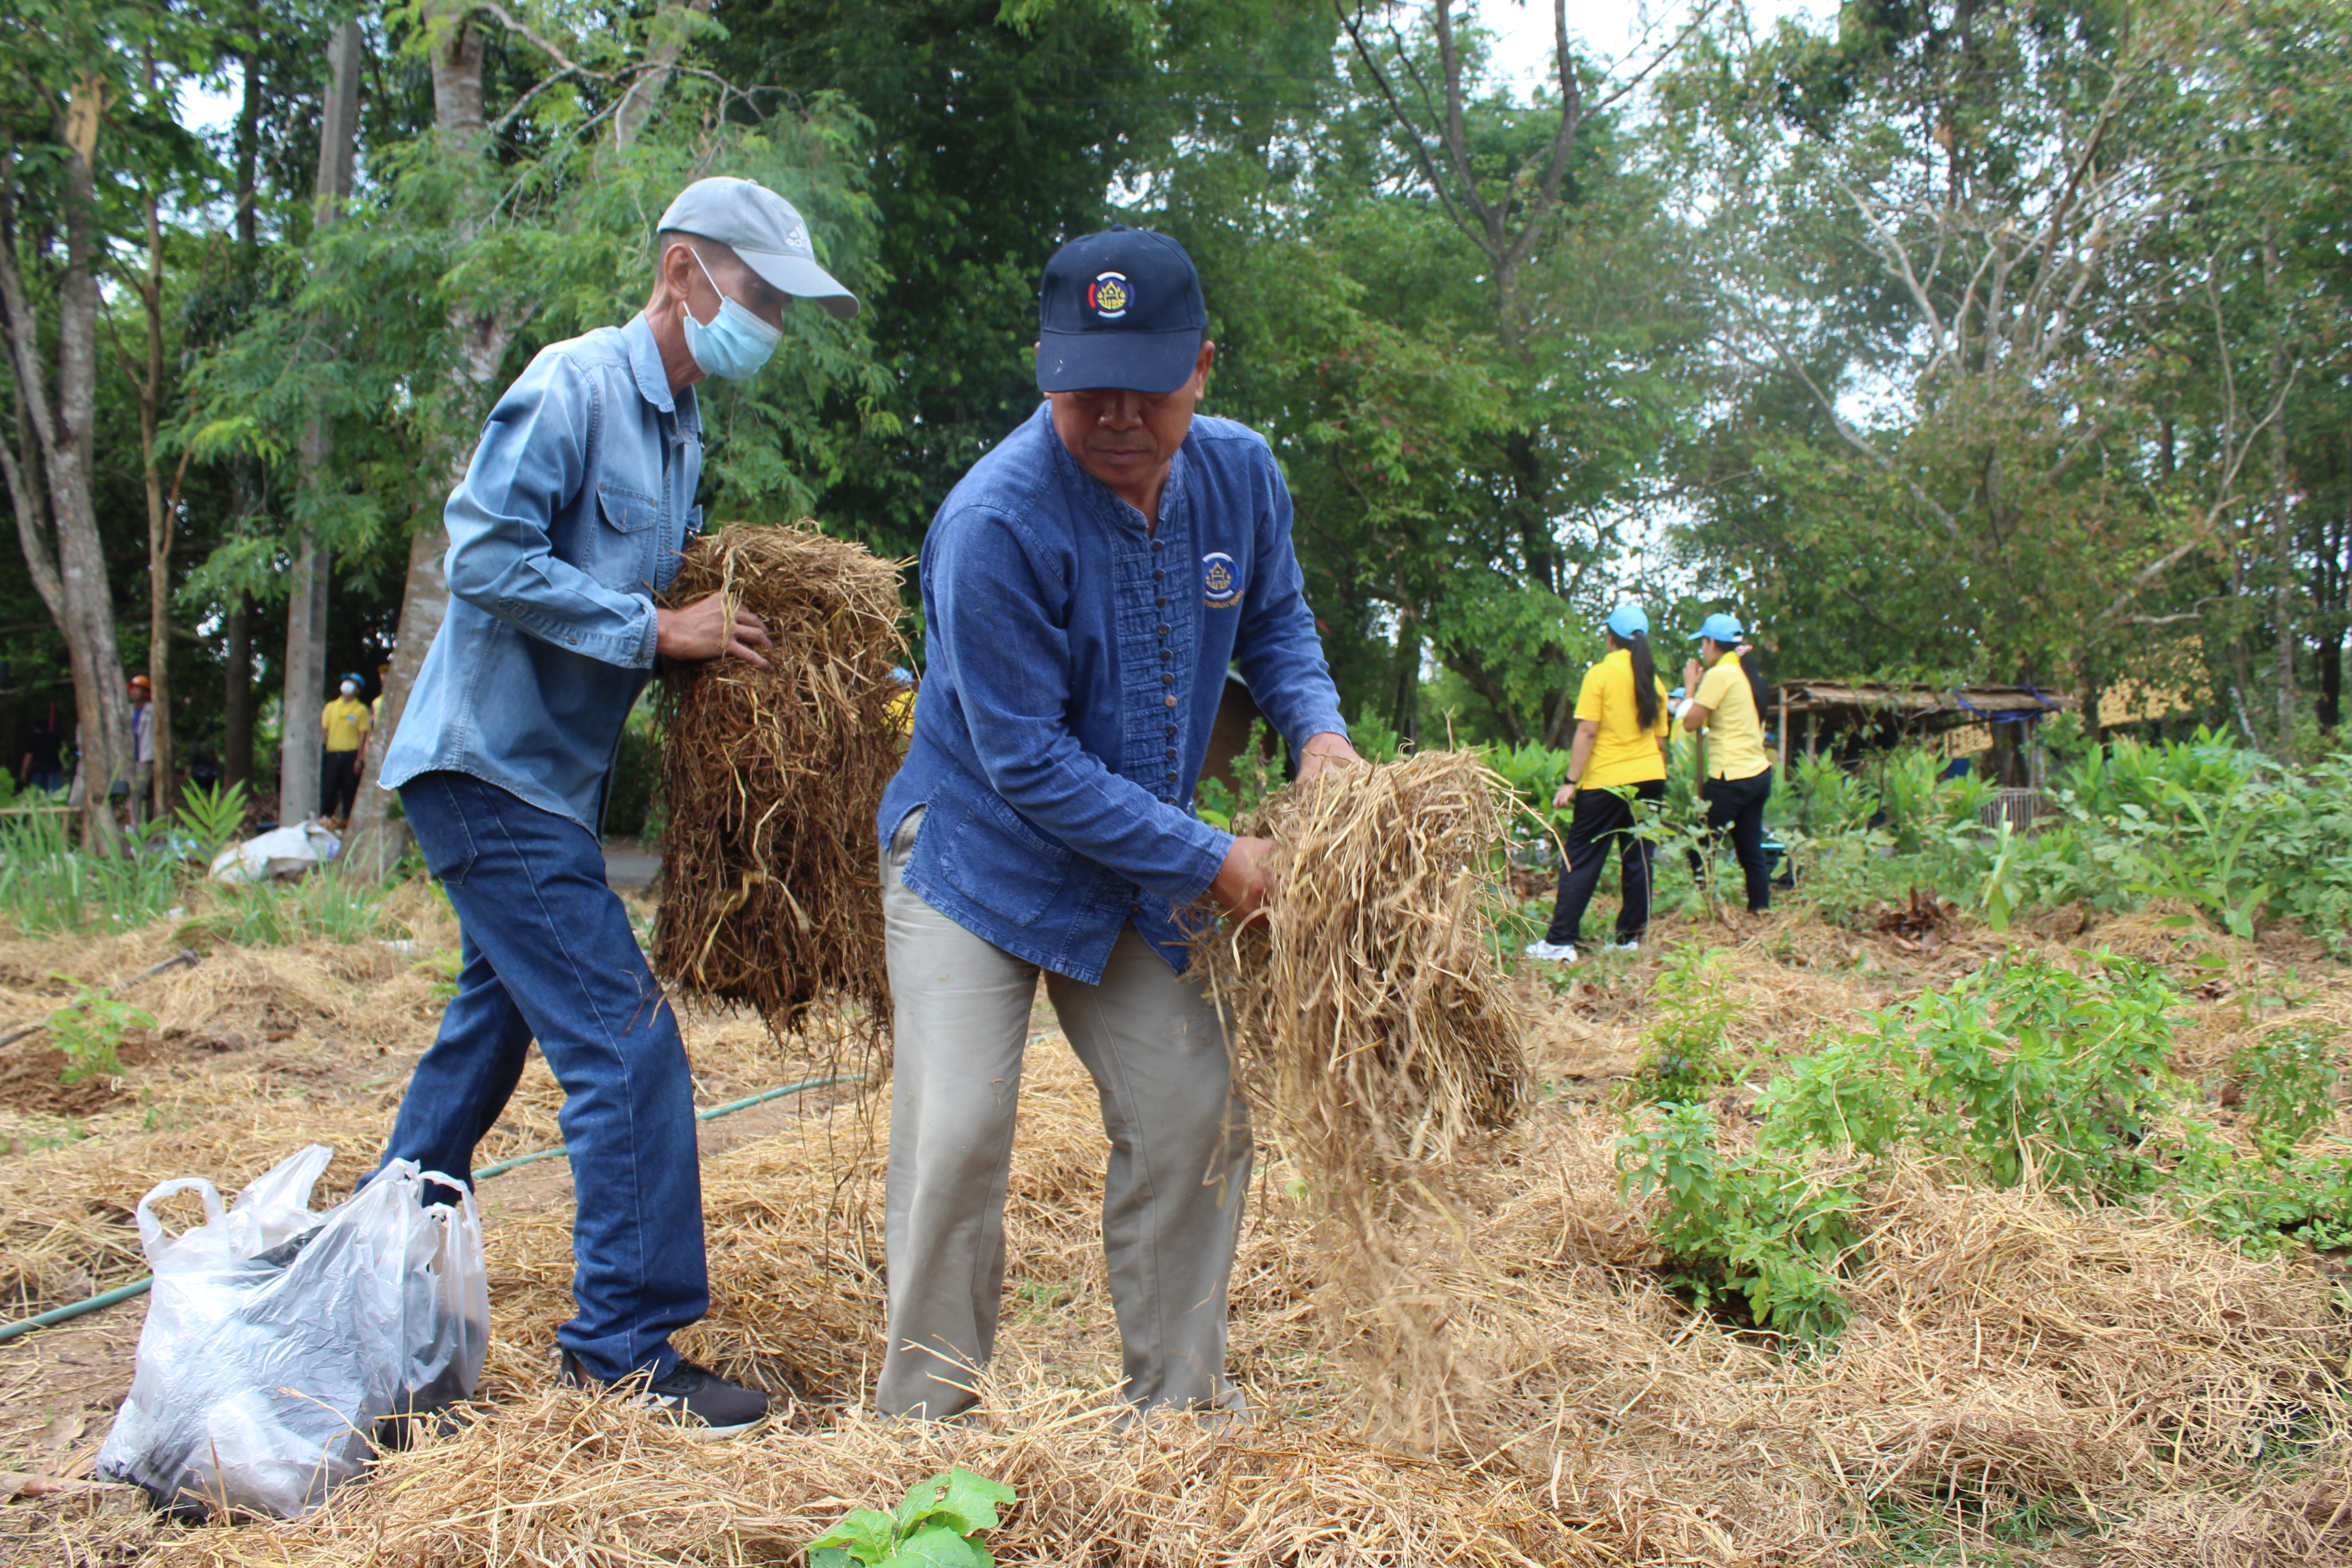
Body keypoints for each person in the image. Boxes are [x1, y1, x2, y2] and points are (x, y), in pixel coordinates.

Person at [375, 175, 858, 1439]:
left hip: (544, 781)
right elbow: (483, 555)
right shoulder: (577, 383)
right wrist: (654, 627)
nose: (773, 327)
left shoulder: (682, 430)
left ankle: (378, 1281)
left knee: (489, 1033)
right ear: (688, 271)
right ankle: (620, 1348)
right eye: (761, 297)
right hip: (488, 768)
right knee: (626, 1041)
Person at [874, 224, 1362, 1422]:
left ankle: (1180, 1418)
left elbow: (1280, 626)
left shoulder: (1241, 477)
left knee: (1193, 1113)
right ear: (1049, 374)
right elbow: (1028, 763)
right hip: (976, 858)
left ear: (1201, 367)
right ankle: (920, 1434)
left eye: (1144, 387)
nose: (1116, 417)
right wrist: (1221, 860)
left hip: (1136, 863)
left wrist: (1322, 737)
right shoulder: (996, 521)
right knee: (961, 1131)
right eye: (1086, 390)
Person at [1524, 606, 1671, 964]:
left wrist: (1571, 781)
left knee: (1582, 858)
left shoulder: (1601, 675)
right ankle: (1631, 940)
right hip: (1651, 778)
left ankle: (1560, 943)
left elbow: (1588, 731)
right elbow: (1661, 743)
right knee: (1638, 858)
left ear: (1610, 637)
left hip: (1607, 780)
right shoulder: (1655, 681)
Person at [1682, 611, 1775, 914]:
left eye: (1703, 644)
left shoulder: (1721, 674)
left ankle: (1705, 908)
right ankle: (1760, 909)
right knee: (1750, 850)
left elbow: (1691, 724)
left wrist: (1690, 689)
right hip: (1758, 774)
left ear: (1711, 643)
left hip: (1731, 777)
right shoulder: (1747, 674)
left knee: (1700, 848)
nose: (1702, 651)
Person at [320, 673, 371, 827]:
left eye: (353, 683)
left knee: (350, 790)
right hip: (333, 755)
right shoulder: (331, 707)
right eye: (346, 682)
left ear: (358, 690)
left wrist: (359, 759)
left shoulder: (361, 710)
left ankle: (347, 822)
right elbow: (324, 731)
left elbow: (363, 735)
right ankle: (326, 819)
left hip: (351, 756)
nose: (348, 685)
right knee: (329, 788)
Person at [126, 675, 156, 825]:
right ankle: (131, 824)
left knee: (138, 792)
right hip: (130, 758)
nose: (134, 693)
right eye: (132, 689)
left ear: (145, 693)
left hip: (145, 758)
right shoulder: (127, 711)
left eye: (137, 690)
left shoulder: (152, 710)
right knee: (128, 792)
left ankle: (138, 826)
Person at [19, 701, 65, 794]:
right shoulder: (54, 737)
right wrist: (63, 765)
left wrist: (24, 772)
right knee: (55, 795)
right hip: (54, 769)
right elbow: (61, 750)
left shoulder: (34, 739)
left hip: (39, 771)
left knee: (37, 795)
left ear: (37, 729)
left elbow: (28, 756)